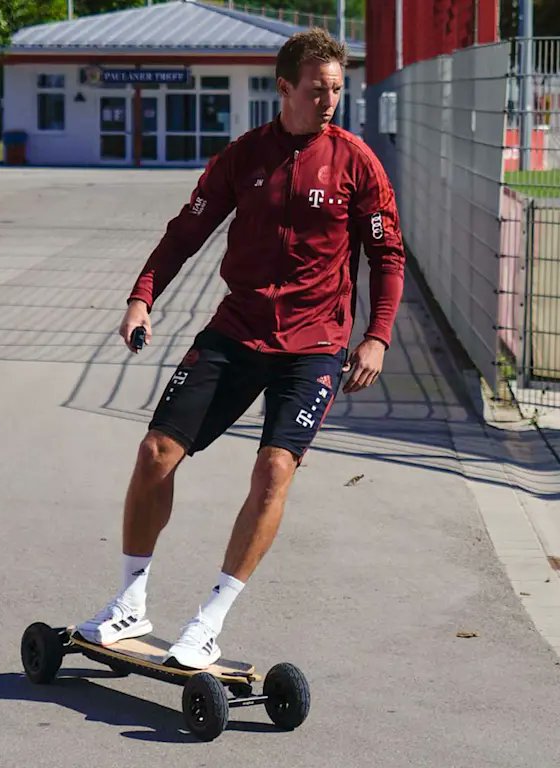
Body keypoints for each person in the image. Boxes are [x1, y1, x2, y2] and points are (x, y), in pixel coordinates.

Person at [76, 28, 407, 669]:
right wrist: (142, 297)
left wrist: (377, 335)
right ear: (284, 88)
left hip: (315, 344)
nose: (329, 101)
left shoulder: (357, 163)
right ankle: (130, 602)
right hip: (237, 331)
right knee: (155, 453)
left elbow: (387, 254)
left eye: (337, 90)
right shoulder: (244, 156)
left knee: (274, 470)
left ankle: (208, 622)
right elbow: (187, 231)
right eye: (317, 89)